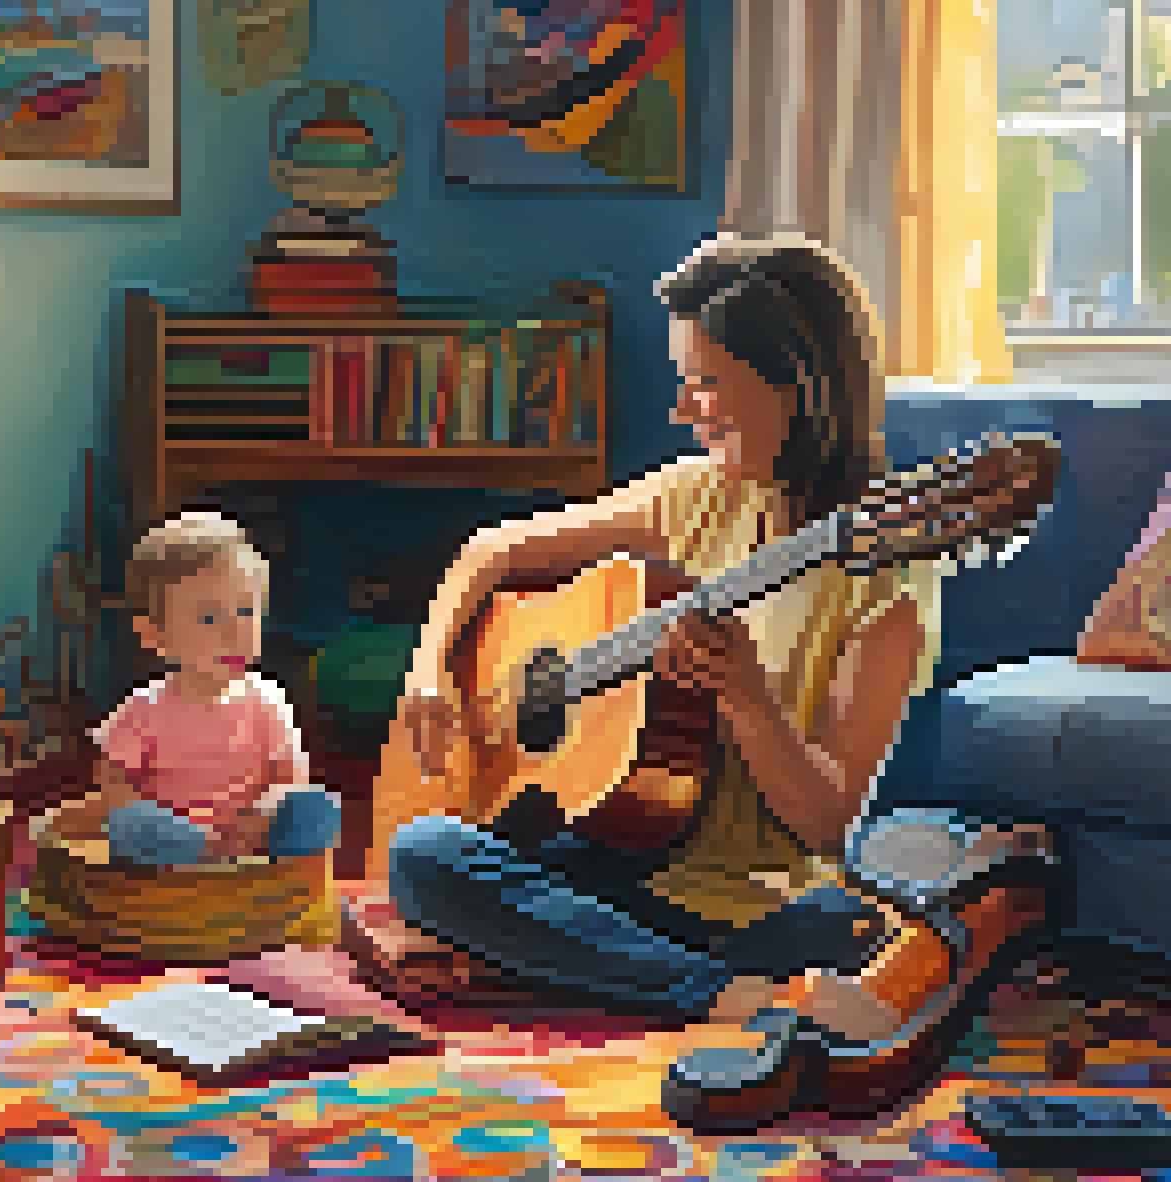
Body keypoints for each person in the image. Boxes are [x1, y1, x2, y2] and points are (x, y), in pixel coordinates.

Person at [381, 237, 1050, 1124]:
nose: (683, 408)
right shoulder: (693, 498)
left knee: (841, 927)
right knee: (422, 854)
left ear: (795, 388)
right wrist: (429, 671)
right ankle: (723, 994)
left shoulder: (887, 584)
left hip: (759, 904)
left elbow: (827, 821)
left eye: (706, 383)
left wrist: (747, 698)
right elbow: (492, 551)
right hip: (619, 862)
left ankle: (680, 982)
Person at [44, 511, 338, 865]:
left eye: (247, 611)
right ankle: (204, 856)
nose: (235, 631)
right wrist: (143, 816)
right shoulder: (145, 707)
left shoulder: (267, 699)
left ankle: (269, 866)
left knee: (317, 806)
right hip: (175, 839)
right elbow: (113, 786)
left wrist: (264, 811)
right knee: (129, 823)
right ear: (154, 635)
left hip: (255, 838)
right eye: (209, 618)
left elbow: (290, 776)